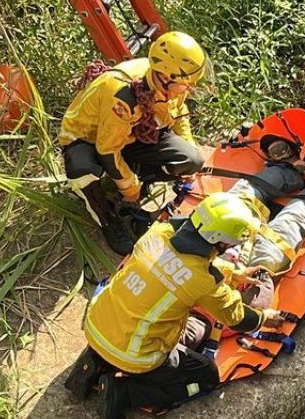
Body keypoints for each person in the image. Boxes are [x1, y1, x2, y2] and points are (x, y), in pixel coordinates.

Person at [64, 192, 286, 419]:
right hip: (136, 355)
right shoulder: (204, 282)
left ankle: (93, 362)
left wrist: (231, 272)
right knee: (206, 376)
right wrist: (263, 317)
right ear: (220, 240)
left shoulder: (158, 233)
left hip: (97, 324)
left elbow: (180, 259)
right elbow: (238, 318)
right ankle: (122, 392)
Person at [59, 31, 208, 255]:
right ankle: (107, 218)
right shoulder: (122, 97)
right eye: (187, 85)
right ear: (166, 78)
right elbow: (107, 150)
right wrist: (130, 186)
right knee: (82, 171)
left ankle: (137, 177)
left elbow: (179, 112)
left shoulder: (168, 82)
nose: (190, 89)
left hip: (129, 133)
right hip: (89, 139)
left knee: (191, 160)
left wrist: (188, 143)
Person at [223, 108, 305, 275]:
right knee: (301, 210)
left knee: (251, 191)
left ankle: (290, 169)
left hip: (225, 256)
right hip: (250, 266)